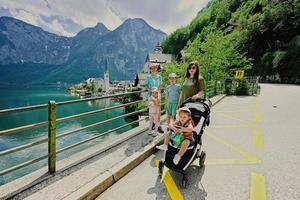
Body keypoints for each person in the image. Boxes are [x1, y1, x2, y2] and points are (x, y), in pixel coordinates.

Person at [145, 63, 164, 133]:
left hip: (158, 95)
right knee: (152, 111)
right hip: (151, 96)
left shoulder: (159, 77)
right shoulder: (148, 77)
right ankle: (153, 124)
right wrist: (152, 92)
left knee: (158, 111)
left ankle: (158, 125)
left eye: (154, 68)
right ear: (150, 69)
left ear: (156, 69)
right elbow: (146, 86)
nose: (153, 69)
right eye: (151, 68)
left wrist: (157, 92)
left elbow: (161, 86)